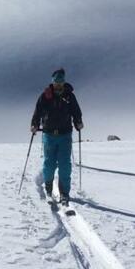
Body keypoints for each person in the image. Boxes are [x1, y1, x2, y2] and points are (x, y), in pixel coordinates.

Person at [31, 68, 83, 205]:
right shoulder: (45, 96)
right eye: (56, 81)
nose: (59, 84)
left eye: (61, 81)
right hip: (49, 135)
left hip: (65, 135)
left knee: (65, 165)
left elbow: (76, 111)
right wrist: (34, 124)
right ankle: (48, 188)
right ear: (52, 81)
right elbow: (37, 112)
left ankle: (64, 193)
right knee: (49, 164)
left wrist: (78, 122)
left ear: (64, 81)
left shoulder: (69, 96)